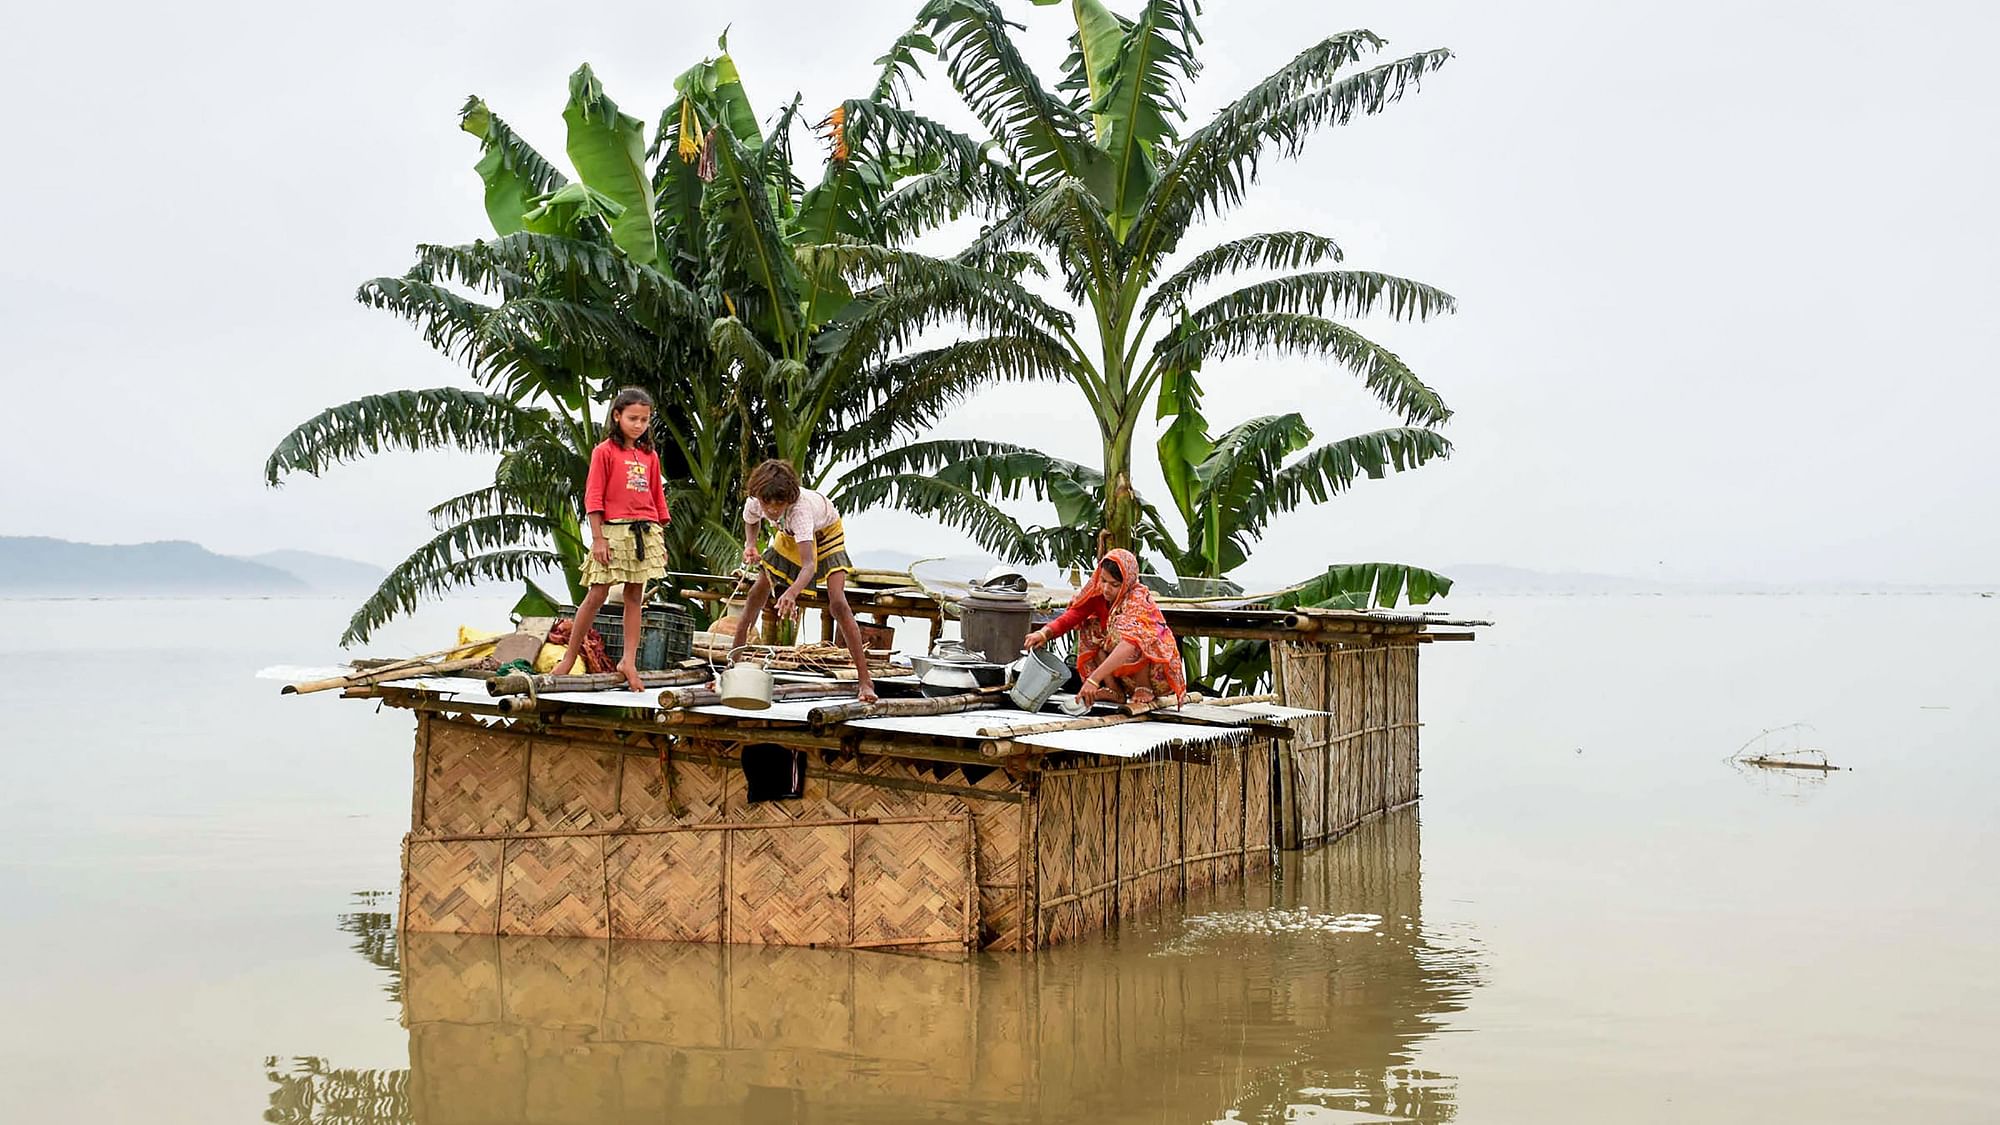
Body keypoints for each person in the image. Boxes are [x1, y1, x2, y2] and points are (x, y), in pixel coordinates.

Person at [730, 459, 877, 703]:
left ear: (789, 499)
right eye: (769, 504)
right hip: (789, 537)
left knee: (838, 603)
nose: (774, 509)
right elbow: (751, 521)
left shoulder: (800, 511)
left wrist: (790, 593)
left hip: (826, 533)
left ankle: (865, 681)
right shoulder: (757, 501)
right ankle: (731, 669)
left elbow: (809, 565)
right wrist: (751, 545)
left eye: (780, 503)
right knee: (756, 594)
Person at [552, 387, 670, 692]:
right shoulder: (603, 451)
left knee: (635, 597)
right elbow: (593, 496)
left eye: (644, 419)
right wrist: (598, 538)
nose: (639, 425)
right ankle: (569, 657)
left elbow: (657, 498)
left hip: (646, 531)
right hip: (613, 531)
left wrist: (662, 541)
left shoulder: (649, 455)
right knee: (597, 594)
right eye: (632, 418)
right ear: (617, 416)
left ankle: (628, 661)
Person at [1024, 548, 1186, 708]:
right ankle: (1114, 690)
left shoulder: (1137, 599)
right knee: (1090, 628)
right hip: (1123, 669)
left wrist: (1093, 680)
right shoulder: (1097, 593)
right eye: (1103, 581)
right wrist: (1044, 633)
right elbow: (1075, 614)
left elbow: (1129, 644)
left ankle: (1143, 687)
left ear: (1127, 583)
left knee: (1131, 635)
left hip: (1155, 671)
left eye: (1114, 584)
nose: (1106, 588)